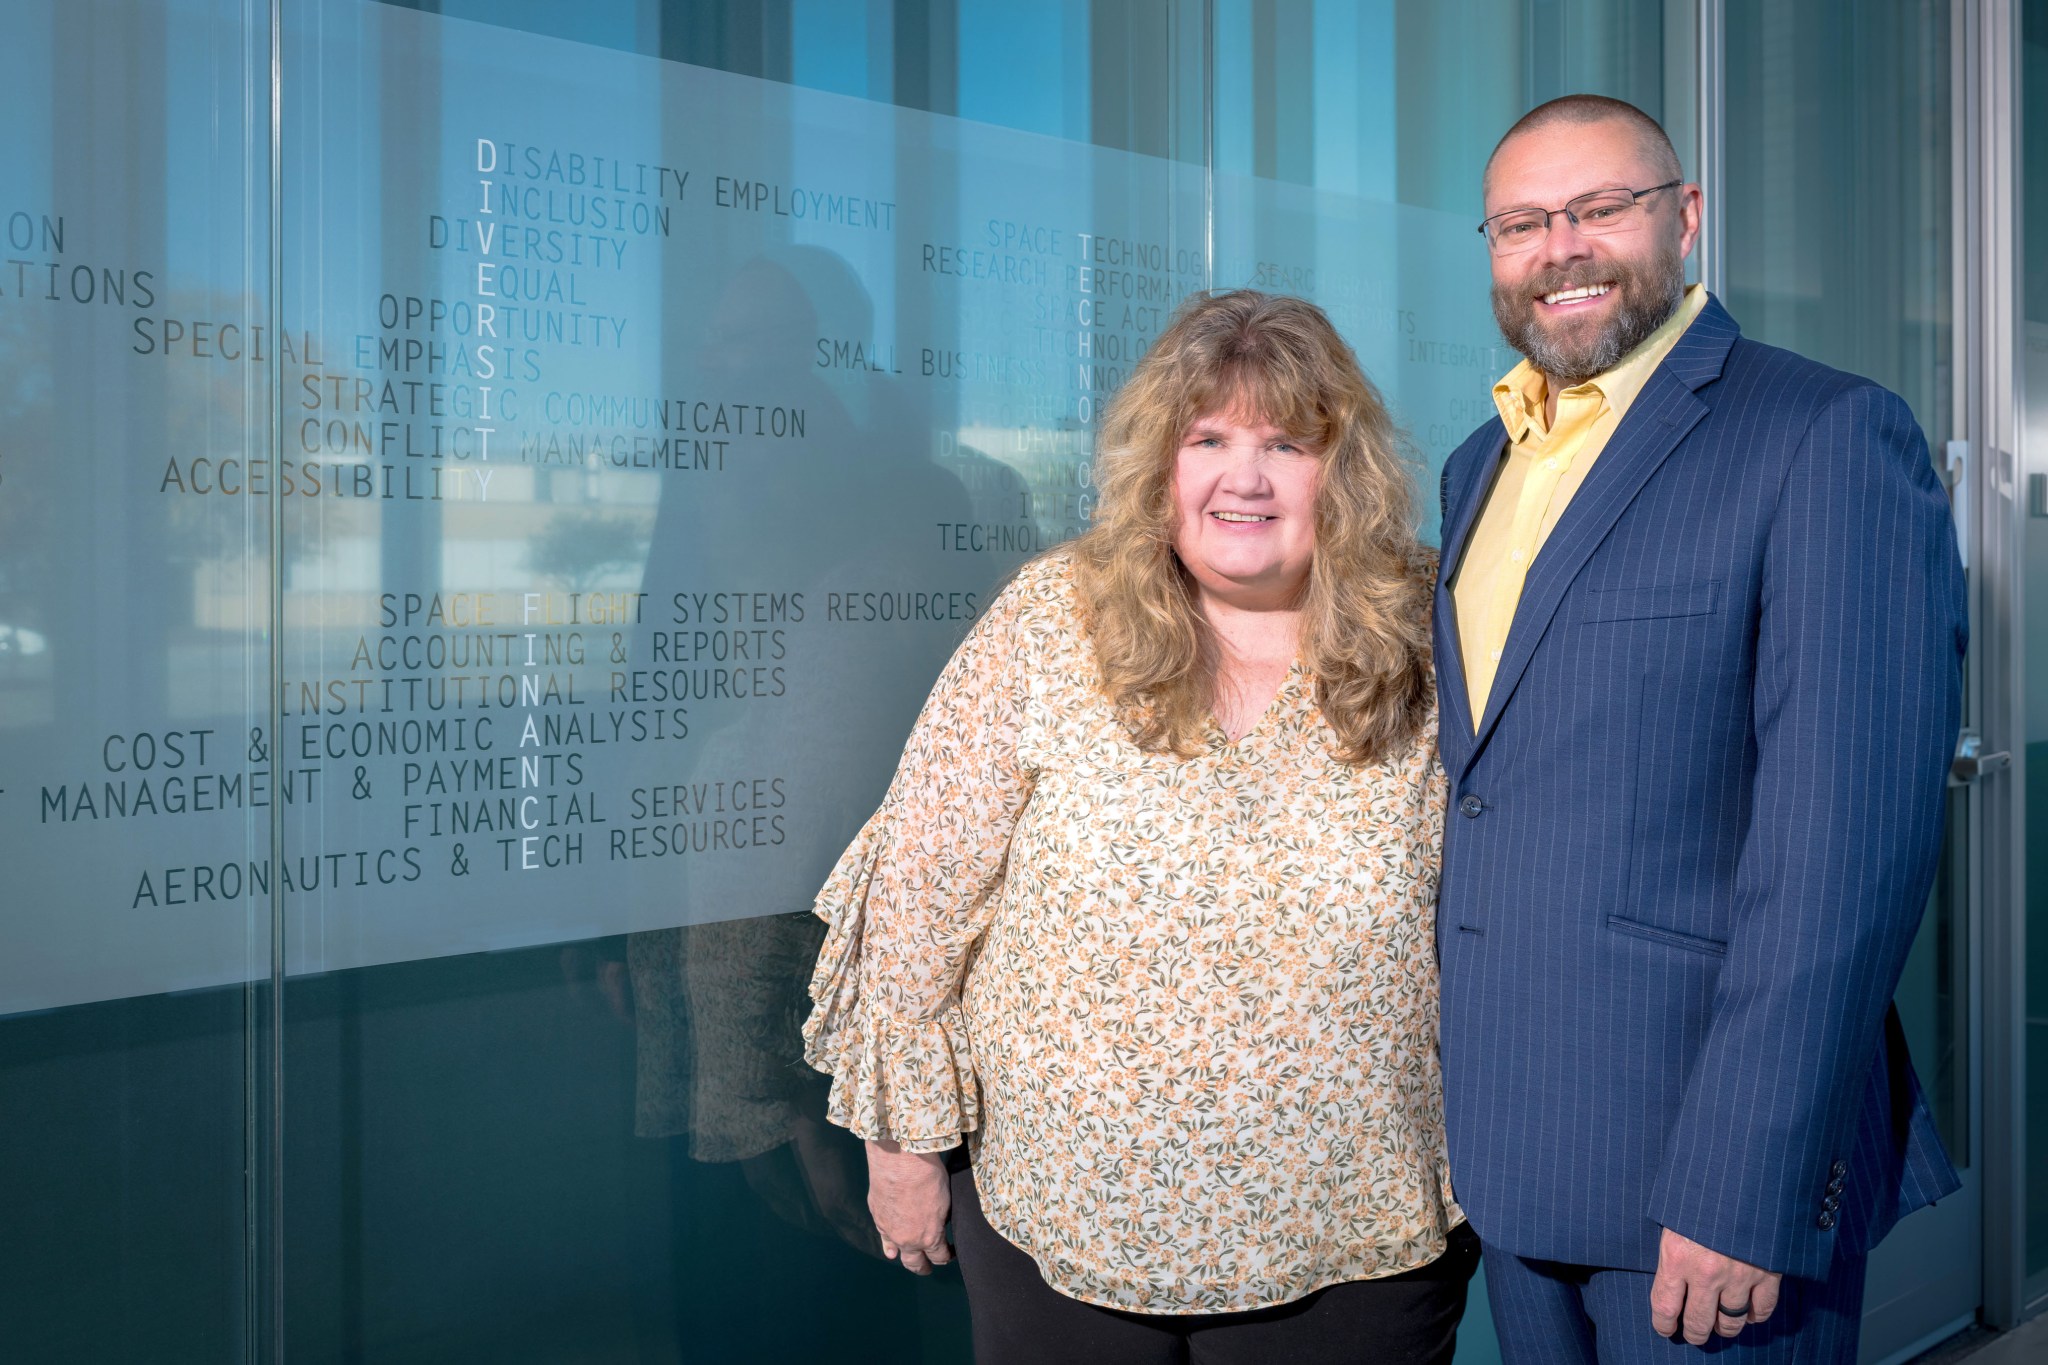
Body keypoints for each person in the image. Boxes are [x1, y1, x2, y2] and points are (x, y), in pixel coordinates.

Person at [804, 290, 1477, 1364]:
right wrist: (902, 1147)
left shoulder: (1434, 635)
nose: (1240, 477)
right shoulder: (1049, 619)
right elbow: (919, 895)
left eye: (1284, 443)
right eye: (1204, 438)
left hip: (1353, 1222)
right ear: (1158, 464)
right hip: (1060, 1216)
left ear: (1339, 470)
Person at [1434, 94, 1966, 1362]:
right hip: (1510, 1155)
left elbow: (1842, 860)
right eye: (1519, 223)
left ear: (1682, 219)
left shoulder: (1822, 434)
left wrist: (1744, 1184)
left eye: (1597, 208)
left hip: (1700, 1173)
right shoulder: (1475, 466)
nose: (1557, 247)